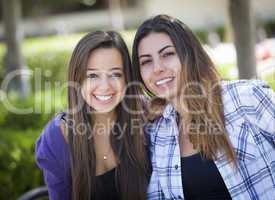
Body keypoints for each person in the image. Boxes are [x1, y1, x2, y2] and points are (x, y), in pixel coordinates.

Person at [132, 14, 275, 200]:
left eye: (167, 54)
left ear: (189, 54)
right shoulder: (159, 131)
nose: (157, 68)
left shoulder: (245, 97)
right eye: (146, 61)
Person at [35, 31, 151, 200]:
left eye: (115, 74)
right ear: (77, 79)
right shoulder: (57, 138)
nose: (104, 87)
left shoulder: (144, 114)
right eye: (93, 75)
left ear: (127, 78)